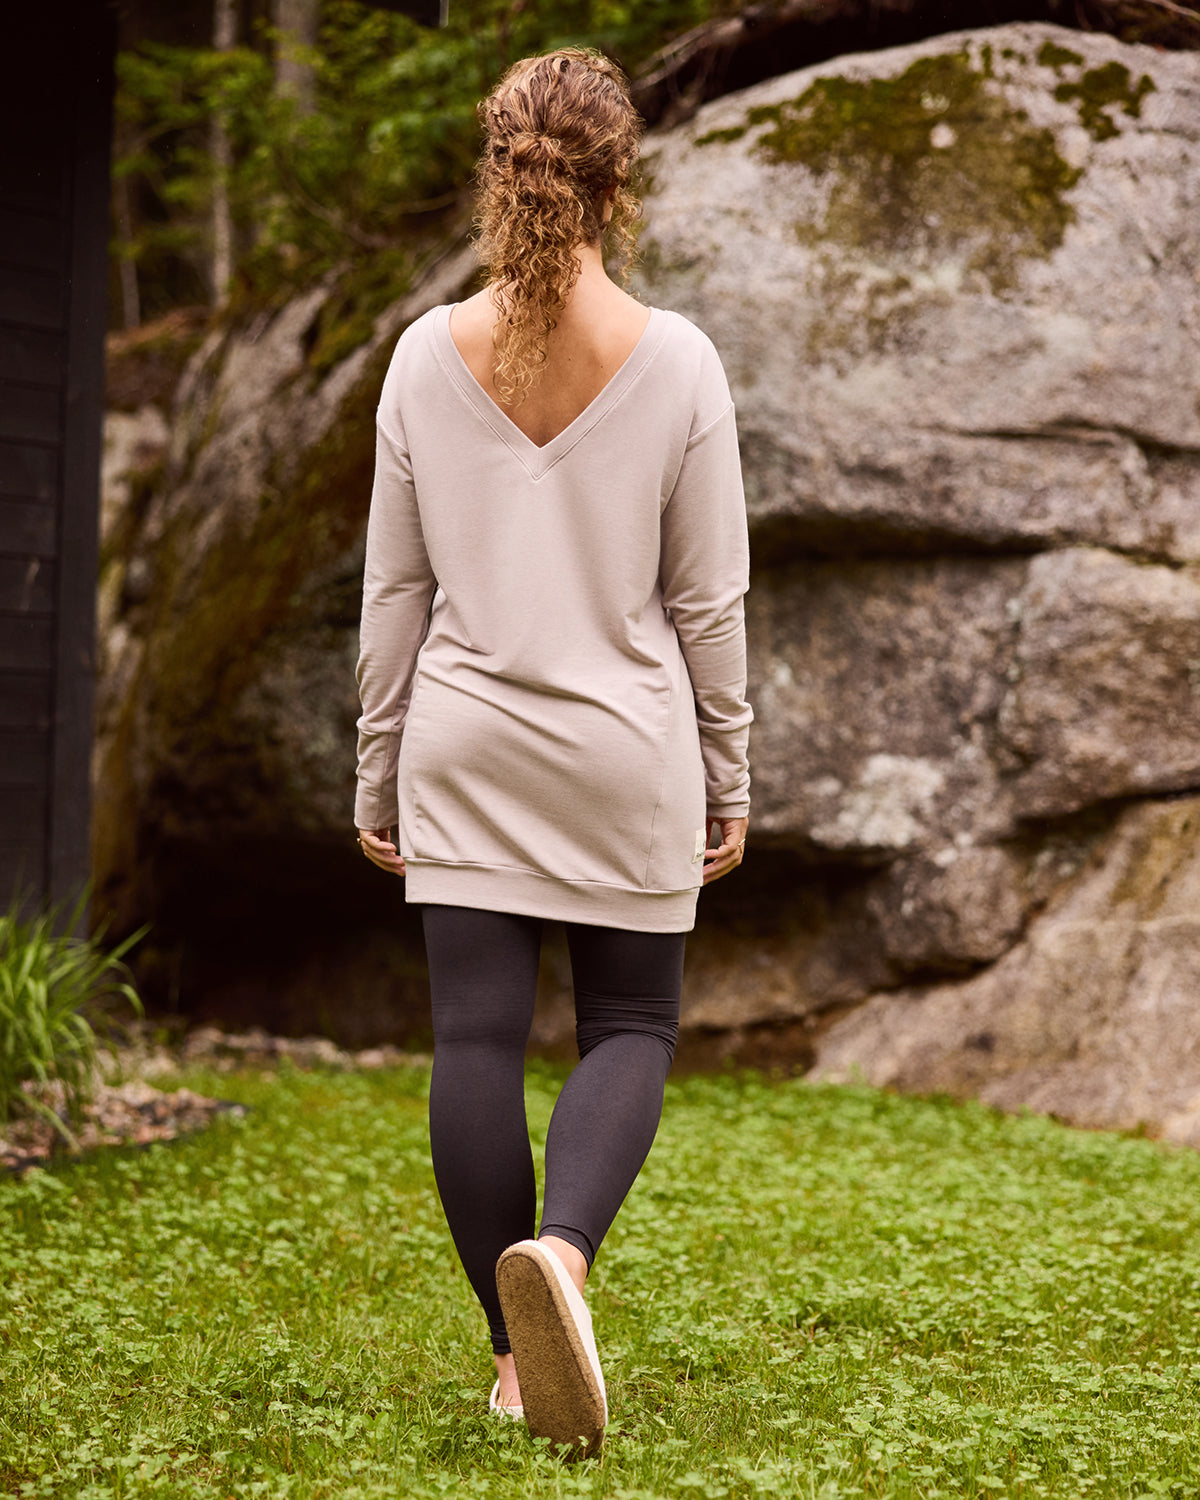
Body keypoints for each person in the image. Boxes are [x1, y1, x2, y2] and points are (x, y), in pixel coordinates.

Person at [353, 45, 751, 1457]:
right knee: (632, 1026)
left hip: (464, 745)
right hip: (622, 750)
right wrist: (732, 768)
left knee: (471, 1039)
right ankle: (563, 1263)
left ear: (499, 170)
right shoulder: (680, 362)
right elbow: (706, 600)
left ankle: (517, 1363)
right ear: (616, 181)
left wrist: (376, 759)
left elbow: (395, 590)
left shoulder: (420, 354)